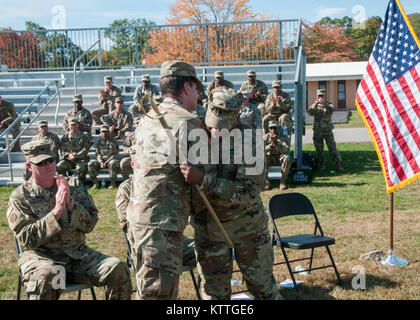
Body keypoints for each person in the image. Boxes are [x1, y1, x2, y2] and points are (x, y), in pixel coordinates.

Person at [184, 87, 282, 300]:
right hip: (210, 232)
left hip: (248, 230)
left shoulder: (251, 141)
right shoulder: (195, 135)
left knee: (263, 290)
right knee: (214, 295)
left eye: (223, 126)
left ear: (237, 116)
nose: (216, 131)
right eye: (212, 125)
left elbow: (249, 191)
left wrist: (203, 180)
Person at [7, 140, 132, 300]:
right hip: (41, 258)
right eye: (41, 163)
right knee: (48, 276)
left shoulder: (73, 185)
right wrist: (58, 211)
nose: (49, 166)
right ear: (29, 166)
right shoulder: (21, 196)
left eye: (51, 160)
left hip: (77, 256)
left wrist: (71, 206)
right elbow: (26, 239)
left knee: (117, 268)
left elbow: (91, 224)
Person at [126, 60, 204, 300]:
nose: (199, 96)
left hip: (142, 218)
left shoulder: (146, 119)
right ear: (188, 87)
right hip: (162, 223)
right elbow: (201, 174)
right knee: (160, 294)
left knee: (148, 289)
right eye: (197, 90)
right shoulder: (187, 121)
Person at [115, 162, 197, 271]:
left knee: (204, 249)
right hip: (146, 240)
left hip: (174, 238)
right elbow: (125, 223)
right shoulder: (127, 187)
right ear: (133, 165)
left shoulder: (163, 184)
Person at [308, 89, 343, 172]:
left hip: (327, 130)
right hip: (318, 131)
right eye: (319, 96)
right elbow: (310, 112)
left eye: (322, 96)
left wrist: (324, 105)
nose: (321, 98)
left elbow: (332, 109)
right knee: (319, 149)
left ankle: (338, 164)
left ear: (324, 96)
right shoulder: (314, 105)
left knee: (332, 148)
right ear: (317, 97)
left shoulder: (329, 104)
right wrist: (315, 104)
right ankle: (322, 164)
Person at [56, 118, 91, 184]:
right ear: (68, 126)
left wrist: (76, 155)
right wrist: (69, 155)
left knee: (81, 167)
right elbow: (62, 150)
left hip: (81, 159)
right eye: (71, 125)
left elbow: (85, 149)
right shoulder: (65, 137)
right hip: (69, 160)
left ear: (78, 125)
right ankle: (65, 182)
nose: (73, 127)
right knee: (59, 166)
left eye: (75, 125)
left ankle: (81, 183)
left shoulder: (84, 136)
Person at [88, 125, 119, 189]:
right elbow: (98, 154)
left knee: (113, 163)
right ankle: (95, 184)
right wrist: (101, 162)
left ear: (109, 132)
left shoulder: (113, 142)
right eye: (103, 132)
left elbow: (114, 155)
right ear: (100, 133)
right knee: (90, 164)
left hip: (110, 160)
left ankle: (113, 184)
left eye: (106, 132)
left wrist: (106, 162)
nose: (104, 134)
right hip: (102, 161)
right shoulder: (98, 142)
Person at [264, 121, 292, 191]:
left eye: (275, 128)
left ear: (278, 128)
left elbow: (286, 150)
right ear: (268, 129)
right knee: (260, 158)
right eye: (271, 128)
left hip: (280, 157)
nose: (273, 130)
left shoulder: (284, 137)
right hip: (269, 158)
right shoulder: (265, 138)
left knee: (287, 158)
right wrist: (270, 145)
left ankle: (282, 181)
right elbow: (261, 150)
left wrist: (277, 143)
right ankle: (267, 182)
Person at [120, 117, 140, 181]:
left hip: (144, 157)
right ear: (135, 125)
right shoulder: (130, 136)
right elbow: (125, 147)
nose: (138, 125)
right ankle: (126, 181)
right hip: (133, 156)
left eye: (140, 123)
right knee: (123, 162)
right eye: (137, 123)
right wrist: (129, 150)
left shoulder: (148, 135)